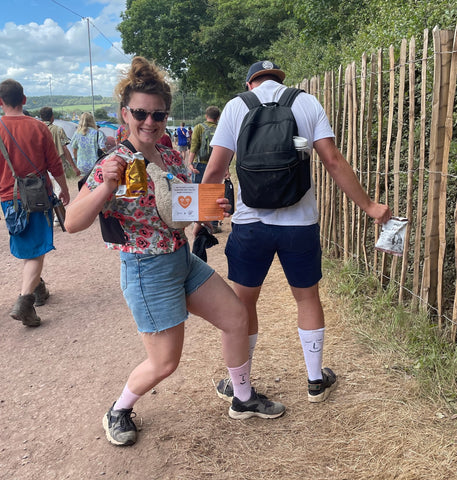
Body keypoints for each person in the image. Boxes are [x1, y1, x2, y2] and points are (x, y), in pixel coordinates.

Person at [64, 56, 285, 447]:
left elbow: (185, 207)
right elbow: (71, 222)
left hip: (182, 258)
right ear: (124, 114)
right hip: (146, 269)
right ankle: (119, 409)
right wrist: (105, 189)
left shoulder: (167, 157)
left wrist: (212, 207)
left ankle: (243, 397)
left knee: (236, 317)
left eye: (158, 115)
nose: (149, 122)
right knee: (165, 362)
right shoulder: (111, 164)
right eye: (140, 113)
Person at [195, 60, 392, 404]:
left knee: (242, 305)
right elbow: (332, 160)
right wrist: (370, 206)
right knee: (307, 297)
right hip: (299, 224)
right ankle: (315, 380)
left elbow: (214, 170)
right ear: (279, 80)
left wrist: (199, 219)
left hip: (249, 224)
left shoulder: (236, 107)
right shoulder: (306, 102)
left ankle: (241, 384)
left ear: (250, 82)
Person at [0, 79, 70, 327]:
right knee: (37, 250)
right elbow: (55, 164)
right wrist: (64, 189)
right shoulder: (38, 127)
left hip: (9, 198)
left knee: (27, 243)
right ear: (24, 99)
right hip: (38, 197)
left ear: (0, 102)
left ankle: (39, 287)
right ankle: (25, 302)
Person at [188, 106, 222, 232]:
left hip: (200, 164)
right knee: (214, 193)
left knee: (198, 193)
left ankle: (199, 222)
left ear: (206, 116)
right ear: (218, 117)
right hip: (216, 164)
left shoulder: (199, 127)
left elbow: (194, 145)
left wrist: (190, 162)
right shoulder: (220, 128)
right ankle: (214, 223)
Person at [39, 107, 81, 178]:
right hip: (58, 165)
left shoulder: (36, 129)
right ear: (52, 117)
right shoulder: (58, 130)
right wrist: (74, 167)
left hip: (41, 167)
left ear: (41, 117)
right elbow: (65, 149)